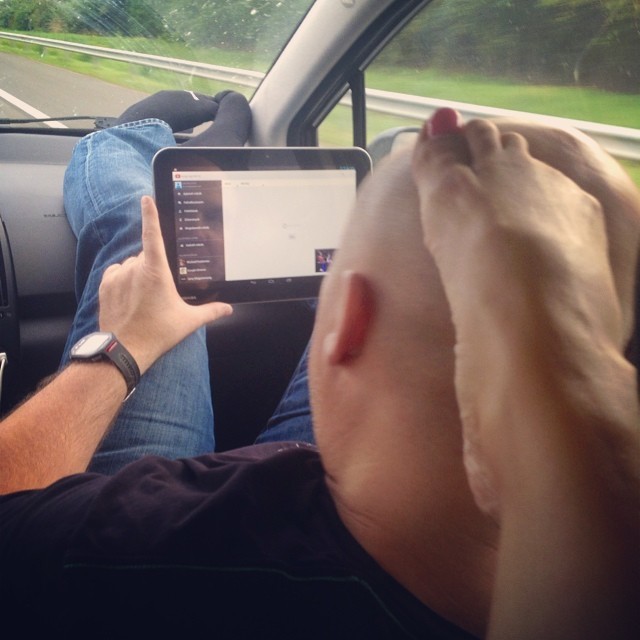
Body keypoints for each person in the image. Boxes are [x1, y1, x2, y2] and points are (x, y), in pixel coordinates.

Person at [0, 91, 638, 638]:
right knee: (396, 298)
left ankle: (130, 138)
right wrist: (562, 376)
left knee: (140, 239)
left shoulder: (139, 548)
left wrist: (120, 347)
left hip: (236, 506)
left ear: (346, 325)